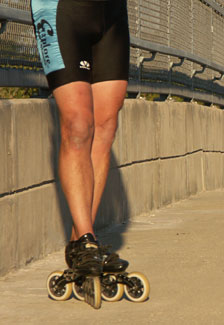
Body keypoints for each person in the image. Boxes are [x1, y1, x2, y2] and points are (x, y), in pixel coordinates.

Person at [31, 0, 129, 307]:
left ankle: (82, 244)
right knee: (78, 125)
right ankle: (87, 240)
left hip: (111, 13)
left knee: (106, 124)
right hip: (62, 11)